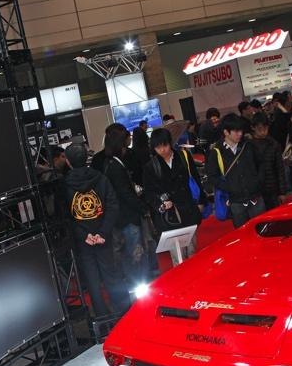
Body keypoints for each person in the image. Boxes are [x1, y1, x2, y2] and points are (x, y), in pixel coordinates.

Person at [59, 144, 129, 317]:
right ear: (86, 158)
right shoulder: (101, 178)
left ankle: (102, 319)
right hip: (104, 237)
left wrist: (85, 235)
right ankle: (125, 314)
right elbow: (113, 205)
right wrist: (103, 232)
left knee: (92, 281)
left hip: (83, 241)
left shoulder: (64, 185)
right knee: (112, 274)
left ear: (68, 162)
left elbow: (65, 216)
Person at [92, 124, 149, 288]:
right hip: (127, 215)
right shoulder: (115, 166)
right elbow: (124, 192)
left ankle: (132, 284)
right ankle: (137, 286)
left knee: (125, 254)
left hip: (117, 216)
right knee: (135, 253)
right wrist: (142, 207)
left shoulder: (108, 163)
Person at [206, 114, 265, 228]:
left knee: (262, 230)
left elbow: (261, 164)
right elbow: (212, 176)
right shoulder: (217, 152)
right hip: (235, 202)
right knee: (242, 233)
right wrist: (229, 187)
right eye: (236, 131)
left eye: (241, 130)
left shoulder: (248, 145)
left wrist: (258, 181)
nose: (240, 134)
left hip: (256, 197)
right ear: (226, 132)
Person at [142, 127, 204, 233]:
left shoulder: (183, 156)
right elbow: (149, 192)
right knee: (175, 242)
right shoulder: (151, 166)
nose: (162, 150)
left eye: (165, 145)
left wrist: (201, 201)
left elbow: (195, 178)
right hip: (169, 214)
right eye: (158, 147)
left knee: (192, 241)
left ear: (170, 143)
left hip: (188, 207)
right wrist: (160, 204)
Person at [251, 112, 292, 208]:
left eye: (265, 129)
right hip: (257, 190)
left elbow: (280, 168)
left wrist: (282, 192)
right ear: (253, 128)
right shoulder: (248, 145)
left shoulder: (274, 144)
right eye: (259, 129)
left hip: (273, 188)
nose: (263, 132)